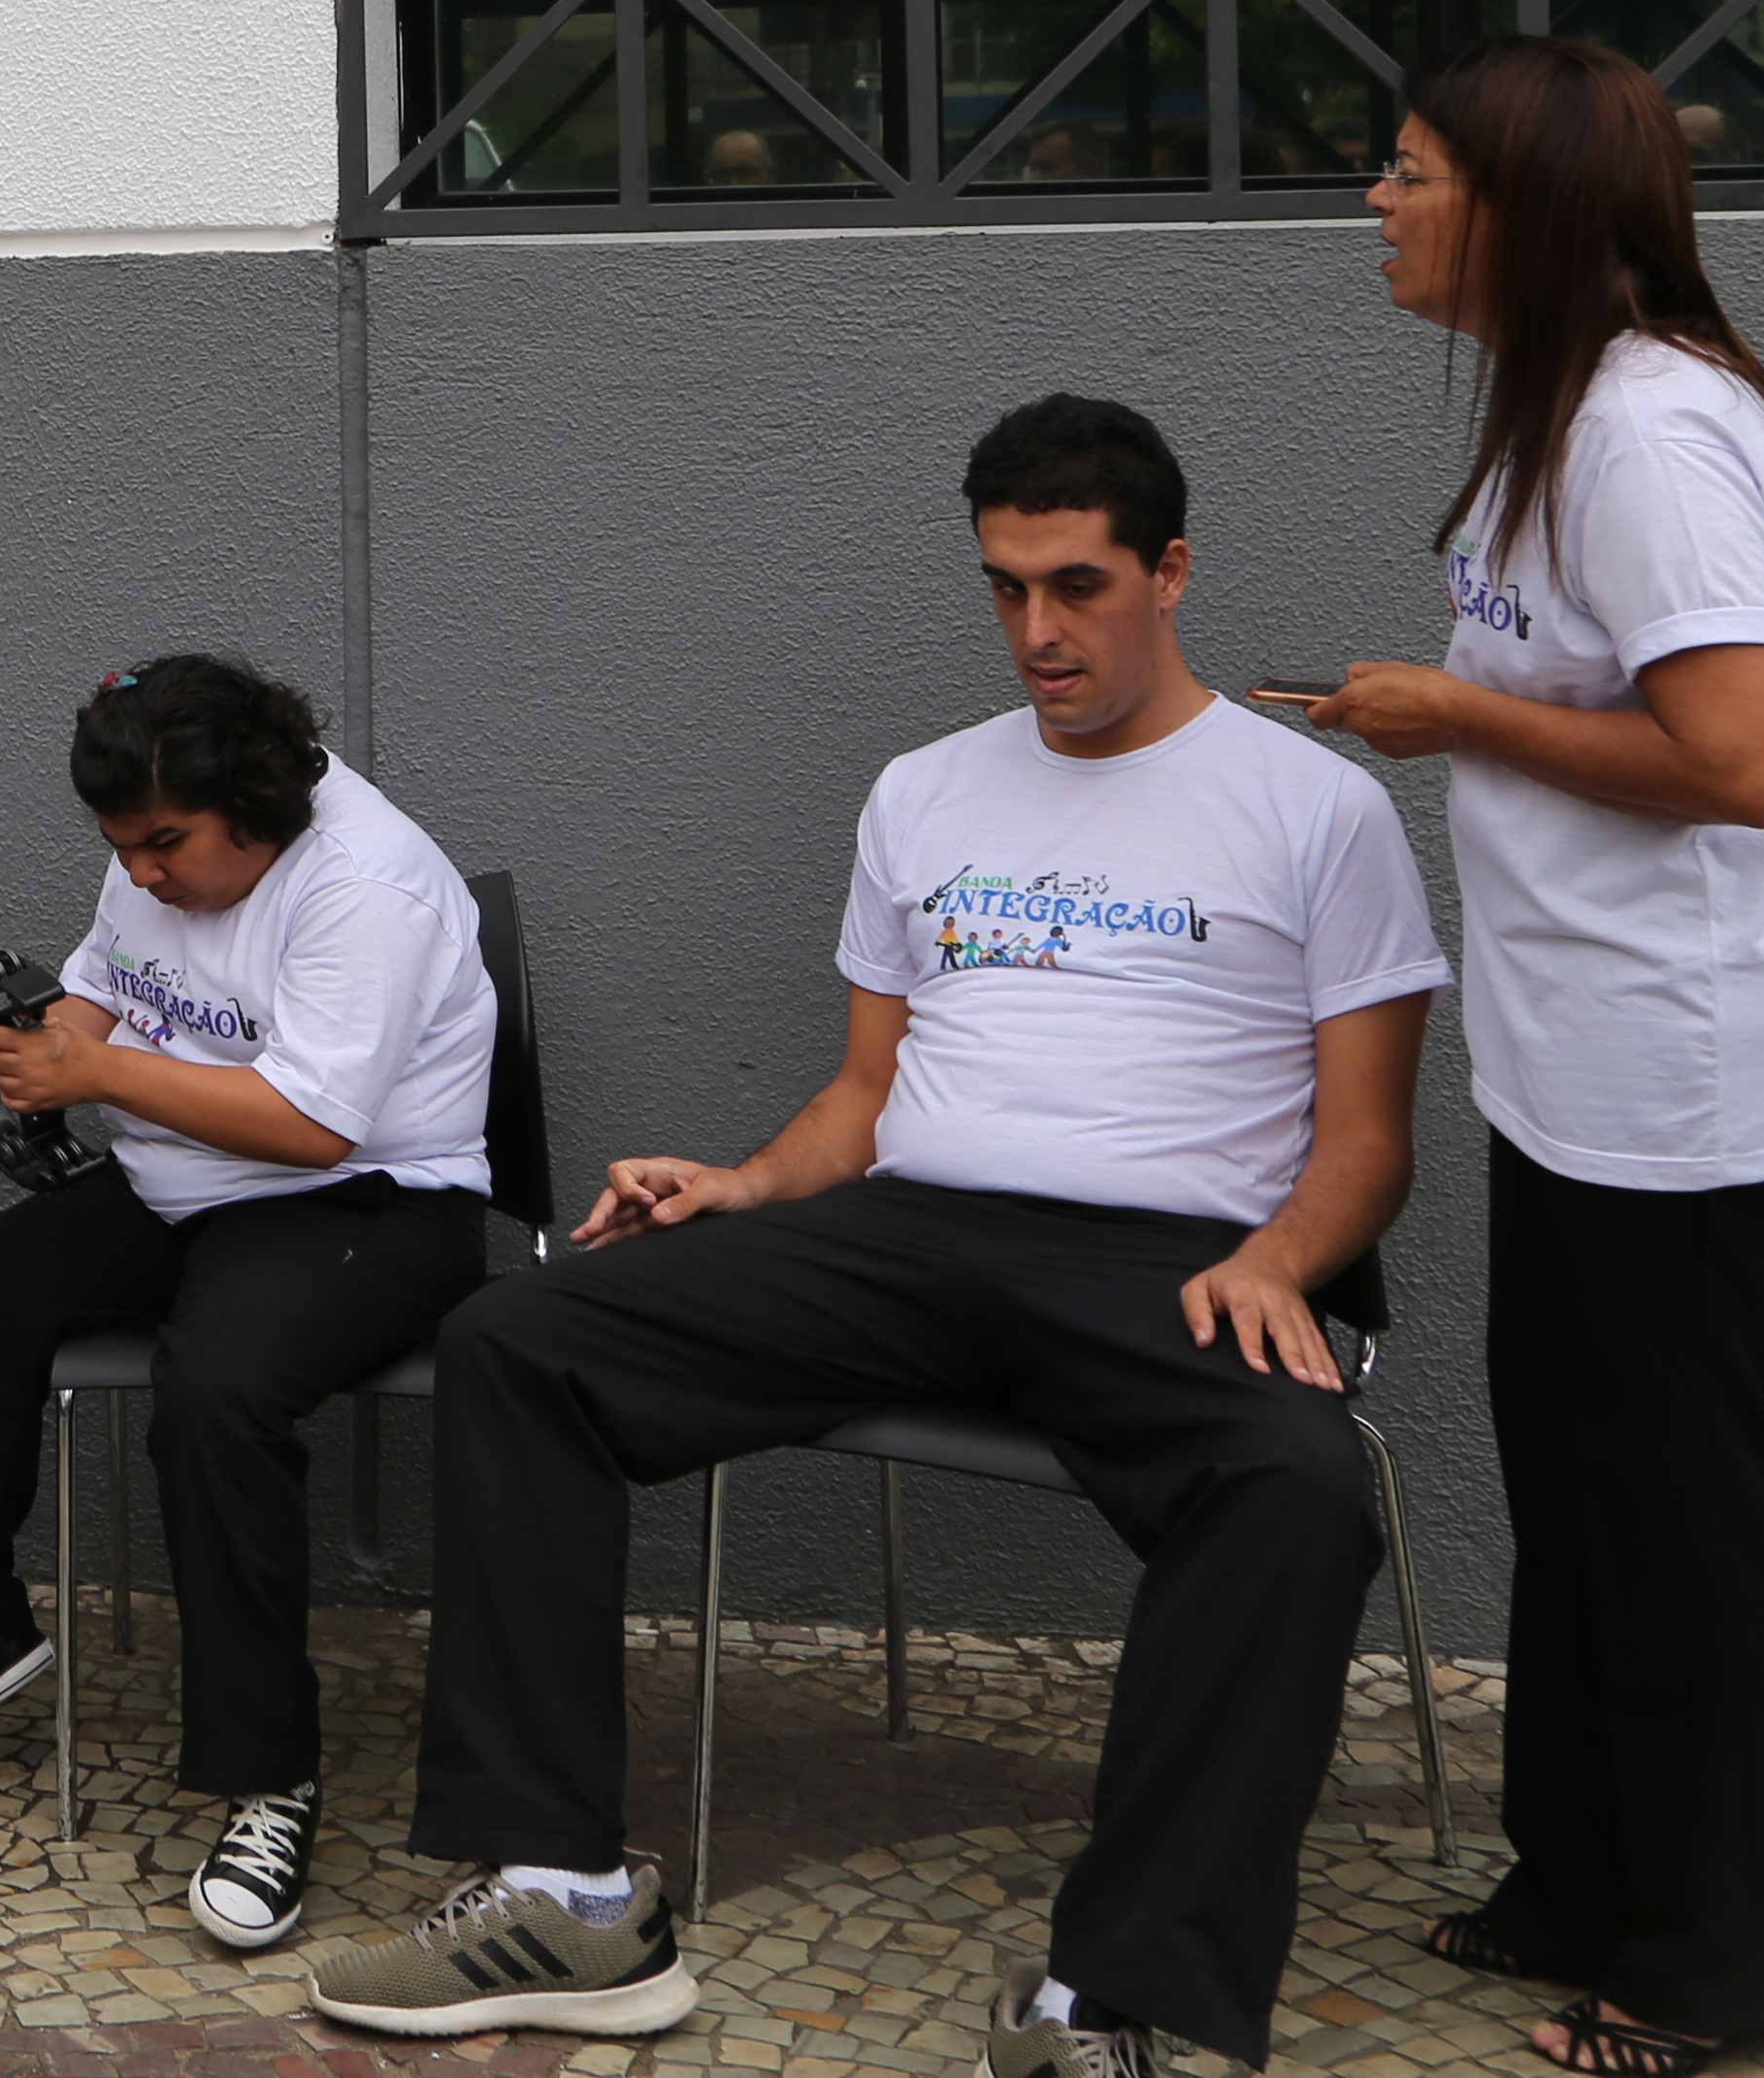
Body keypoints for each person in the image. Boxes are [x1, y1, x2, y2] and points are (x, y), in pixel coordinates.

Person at [304, 398, 1448, 2078]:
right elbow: (862, 1088)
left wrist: (1280, 1259)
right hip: (908, 1234)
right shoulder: (926, 790)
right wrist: (746, 1185)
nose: (1038, 632)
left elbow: (1368, 1139)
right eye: (1004, 588)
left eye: (1077, 584)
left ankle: (1104, 1994)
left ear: (1171, 570)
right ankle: (565, 1891)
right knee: (521, 1339)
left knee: (1296, 1488)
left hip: (1174, 1256)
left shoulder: (1316, 808)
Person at [1305, 36, 1764, 2075]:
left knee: (1676, 1514)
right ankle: (1584, 1874)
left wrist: (1447, 717)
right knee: (1577, 1478)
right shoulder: (1559, 418)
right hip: (1578, 1070)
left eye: (1404, 170)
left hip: (1685, 1078)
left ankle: (1720, 1969)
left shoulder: (1651, 435)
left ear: (1519, 207)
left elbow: (1740, 759)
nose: (1373, 199)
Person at [0, 655, 499, 1955]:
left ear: (254, 800)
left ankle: (271, 1781)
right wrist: (0, 1066)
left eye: (163, 847)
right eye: (120, 848)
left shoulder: (366, 882)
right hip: (184, 1179)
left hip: (371, 1205)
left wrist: (97, 1071)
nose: (142, 872)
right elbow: (105, 989)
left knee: (215, 1393)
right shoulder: (157, 840)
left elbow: (313, 1128)